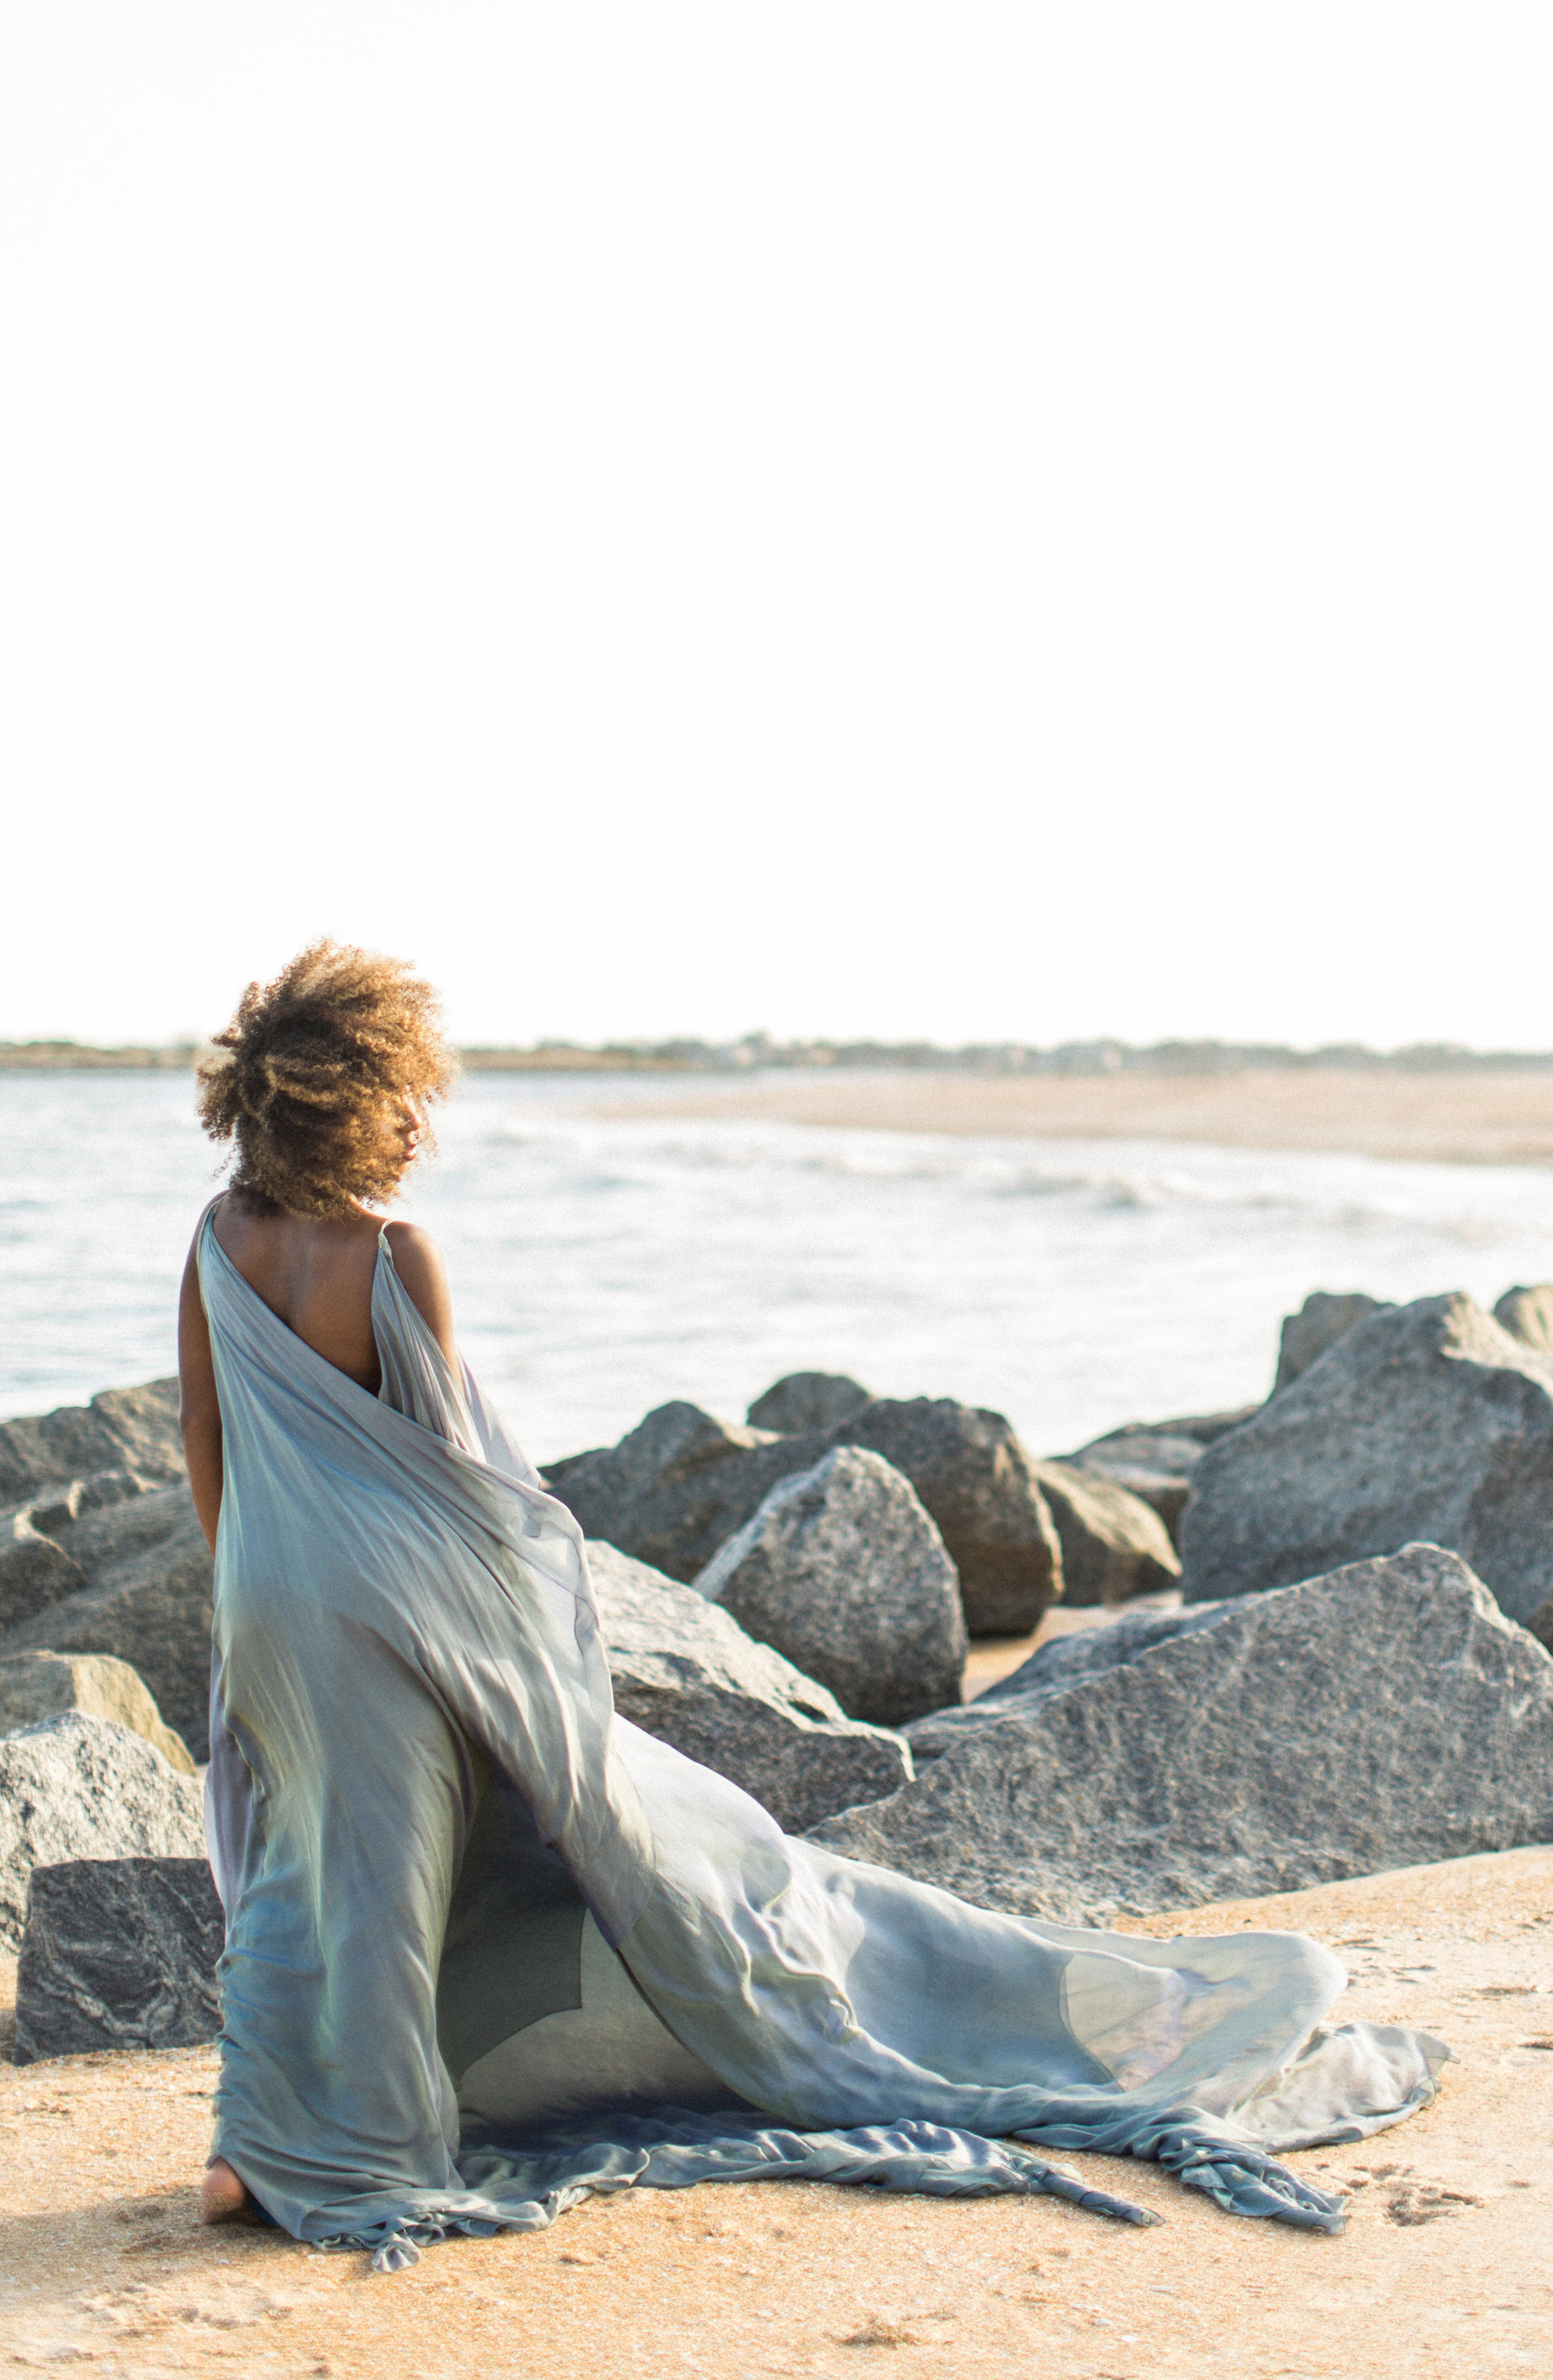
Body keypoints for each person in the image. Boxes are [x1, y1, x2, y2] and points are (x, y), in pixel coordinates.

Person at [178, 940, 1442, 2267]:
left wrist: (251, 1590)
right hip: (397, 1605)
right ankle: (362, 2154)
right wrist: (537, 1645)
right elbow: (468, 1483)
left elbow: (208, 1437)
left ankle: (243, 2148)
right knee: (397, 1875)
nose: (422, 1125)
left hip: (268, 1592)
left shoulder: (218, 1238)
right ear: (362, 1094)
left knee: (295, 1864)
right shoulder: (393, 1254)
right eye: (407, 1099)